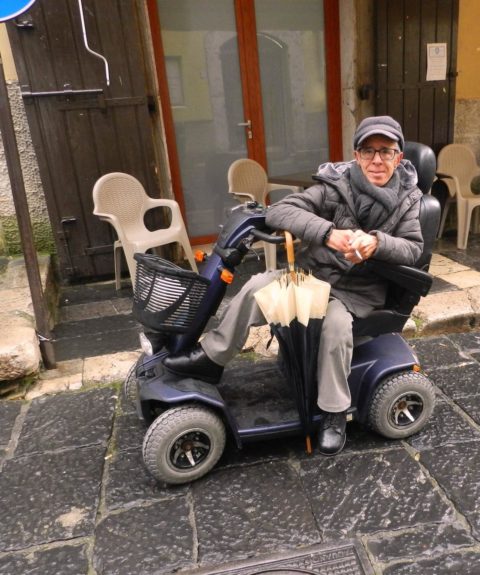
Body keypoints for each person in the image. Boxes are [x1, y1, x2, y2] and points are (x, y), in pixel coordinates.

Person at [163, 116, 424, 456]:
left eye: (386, 151)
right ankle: (212, 357)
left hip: (356, 293)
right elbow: (281, 212)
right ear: (356, 156)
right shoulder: (335, 185)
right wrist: (328, 234)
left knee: (335, 327)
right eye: (368, 151)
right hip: (313, 278)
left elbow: (413, 249)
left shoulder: (408, 200)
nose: (377, 160)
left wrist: (377, 243)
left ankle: (333, 413)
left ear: (398, 157)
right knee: (258, 286)